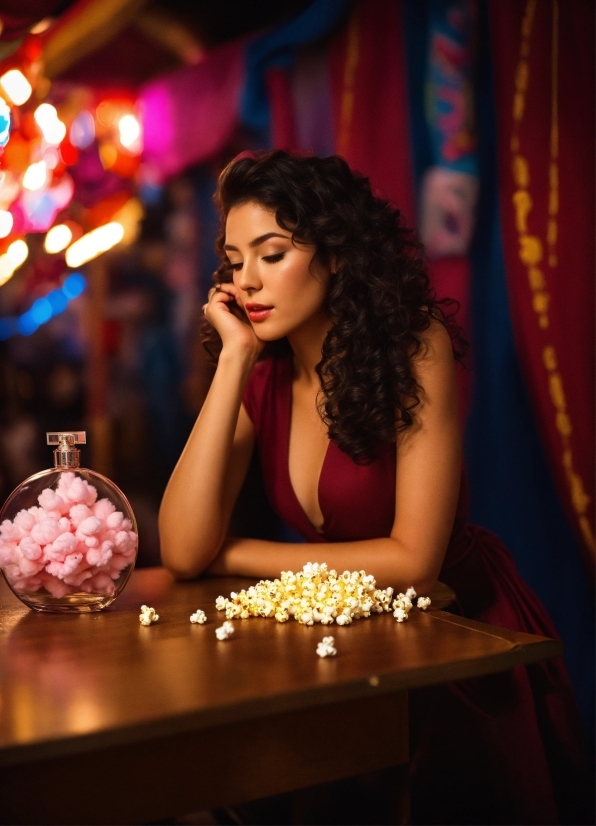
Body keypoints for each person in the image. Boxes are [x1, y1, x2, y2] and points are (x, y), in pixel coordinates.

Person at [159, 151, 591, 825]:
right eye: (235, 261)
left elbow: (412, 563)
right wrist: (234, 362)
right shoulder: (263, 374)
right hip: (351, 655)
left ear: (334, 253)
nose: (248, 282)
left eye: (271, 255)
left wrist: (237, 555)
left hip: (456, 644)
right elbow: (183, 550)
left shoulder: (414, 348)